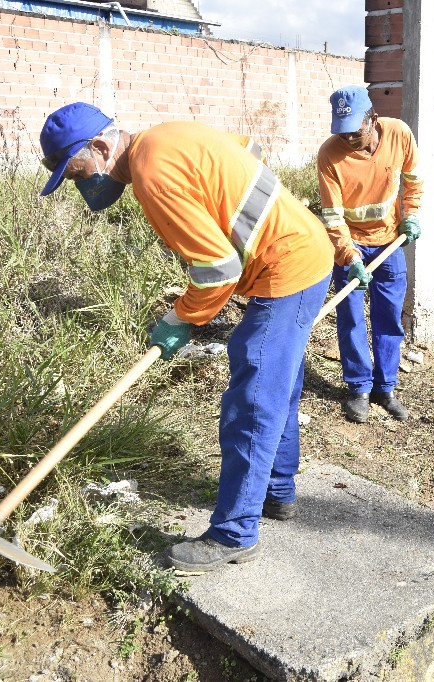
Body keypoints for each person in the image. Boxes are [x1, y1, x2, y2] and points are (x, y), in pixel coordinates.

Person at [38, 102, 333, 574]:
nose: (81, 189)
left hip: (287, 266)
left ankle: (234, 532)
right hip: (301, 249)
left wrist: (181, 318)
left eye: (77, 176)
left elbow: (218, 271)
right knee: (280, 383)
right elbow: (246, 149)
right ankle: (277, 490)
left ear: (99, 147)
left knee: (254, 397)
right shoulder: (166, 135)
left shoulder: (152, 173)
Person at [316, 86, 423, 423]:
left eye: (355, 131)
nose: (348, 138)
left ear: (373, 120)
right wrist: (350, 258)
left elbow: (414, 181)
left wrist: (412, 215)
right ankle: (359, 387)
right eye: (341, 131)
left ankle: (385, 387)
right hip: (348, 244)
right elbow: (332, 216)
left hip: (389, 241)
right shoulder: (329, 155)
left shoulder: (399, 134)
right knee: (350, 316)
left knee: (388, 316)